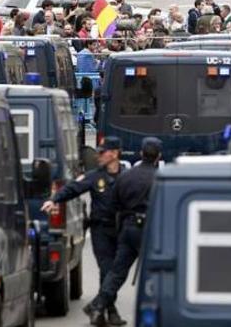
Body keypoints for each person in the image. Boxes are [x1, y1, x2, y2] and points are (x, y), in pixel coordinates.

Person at [41, 136, 127, 326]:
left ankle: (102, 308)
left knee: (116, 272)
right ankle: (109, 311)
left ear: (114, 154)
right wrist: (54, 200)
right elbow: (73, 188)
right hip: (101, 229)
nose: (99, 156)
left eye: (102, 152)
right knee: (106, 269)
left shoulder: (127, 176)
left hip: (121, 230)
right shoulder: (95, 176)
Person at [84, 137, 162, 326]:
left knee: (117, 272)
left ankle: (98, 305)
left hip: (128, 228)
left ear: (141, 154)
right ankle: (155, 313)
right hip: (150, 230)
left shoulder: (125, 176)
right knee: (157, 271)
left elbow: (114, 205)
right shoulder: (161, 177)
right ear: (158, 156)